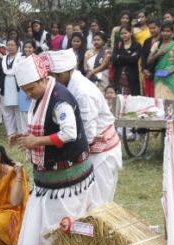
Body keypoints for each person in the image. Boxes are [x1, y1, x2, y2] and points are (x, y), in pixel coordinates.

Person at [13, 55, 95, 245]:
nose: (28, 95)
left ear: (43, 79)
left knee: (63, 221)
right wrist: (26, 137)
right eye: (25, 91)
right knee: (50, 219)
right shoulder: (42, 96)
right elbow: (44, 127)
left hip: (67, 175)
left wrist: (36, 141)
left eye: (31, 89)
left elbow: (69, 133)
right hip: (50, 177)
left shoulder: (60, 99)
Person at [44, 49, 122, 206]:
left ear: (64, 73)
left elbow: (87, 133)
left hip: (102, 154)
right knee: (85, 203)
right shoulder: (69, 86)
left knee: (99, 205)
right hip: (89, 151)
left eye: (54, 77)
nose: (52, 81)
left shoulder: (82, 92)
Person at [0, 39, 26, 137]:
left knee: (18, 111)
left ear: (17, 46)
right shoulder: (3, 59)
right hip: (5, 87)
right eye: (8, 45)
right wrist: (1, 83)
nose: (10, 47)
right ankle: (11, 133)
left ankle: (21, 132)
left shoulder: (22, 57)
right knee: (7, 111)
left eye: (13, 45)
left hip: (18, 87)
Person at [148, 22, 174, 100]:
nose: (165, 33)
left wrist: (168, 72)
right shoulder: (157, 45)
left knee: (172, 101)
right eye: (163, 31)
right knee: (159, 101)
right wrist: (157, 54)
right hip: (159, 76)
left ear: (172, 32)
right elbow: (149, 61)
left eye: (168, 31)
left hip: (171, 76)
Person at [113, 26, 141, 95]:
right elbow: (114, 60)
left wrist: (119, 56)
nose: (123, 35)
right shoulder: (118, 45)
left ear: (131, 33)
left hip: (132, 77)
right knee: (119, 99)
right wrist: (128, 57)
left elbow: (134, 60)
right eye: (121, 34)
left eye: (125, 33)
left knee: (133, 99)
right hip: (119, 77)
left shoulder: (137, 45)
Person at [141, 18, 161, 97]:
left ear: (159, 28)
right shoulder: (147, 41)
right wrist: (144, 69)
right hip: (147, 74)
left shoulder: (163, 41)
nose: (152, 30)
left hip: (158, 74)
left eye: (154, 28)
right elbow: (143, 57)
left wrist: (152, 73)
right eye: (150, 28)